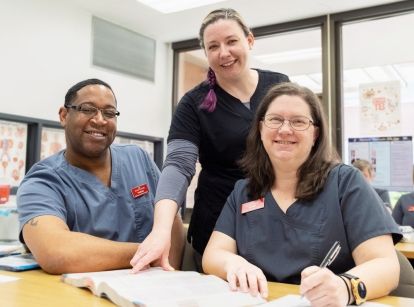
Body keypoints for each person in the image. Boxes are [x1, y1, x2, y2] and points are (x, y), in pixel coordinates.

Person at [202, 83, 401, 305]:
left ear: (315, 134)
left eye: (298, 121)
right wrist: (233, 263)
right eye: (275, 119)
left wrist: (345, 287)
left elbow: (386, 265)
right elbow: (213, 254)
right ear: (260, 129)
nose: (285, 130)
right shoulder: (244, 191)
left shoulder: (345, 183)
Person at [130, 8, 289, 272]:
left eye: (231, 41)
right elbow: (178, 166)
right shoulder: (194, 103)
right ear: (206, 53)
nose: (223, 52)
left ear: (249, 41)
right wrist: (161, 230)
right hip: (218, 225)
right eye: (213, 46)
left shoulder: (280, 86)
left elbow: (308, 148)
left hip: (277, 222)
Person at [17, 79, 184, 274]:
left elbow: (171, 221)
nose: (100, 120)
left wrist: (168, 273)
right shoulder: (42, 182)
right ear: (64, 115)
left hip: (153, 290)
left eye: (109, 112)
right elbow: (56, 251)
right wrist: (151, 254)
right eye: (87, 109)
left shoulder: (137, 158)